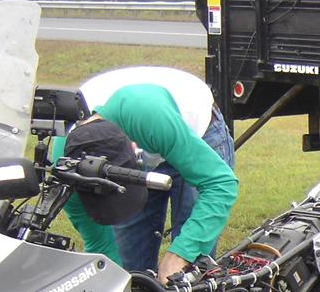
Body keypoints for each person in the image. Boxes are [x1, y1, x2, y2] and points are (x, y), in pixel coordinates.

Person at [56, 66, 238, 279]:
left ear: (135, 150)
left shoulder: (150, 116)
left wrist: (181, 255)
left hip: (191, 130)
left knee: (191, 266)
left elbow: (220, 184)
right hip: (147, 127)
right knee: (130, 268)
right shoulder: (66, 170)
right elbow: (101, 246)